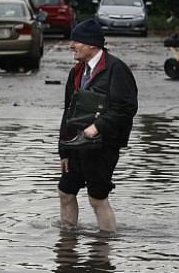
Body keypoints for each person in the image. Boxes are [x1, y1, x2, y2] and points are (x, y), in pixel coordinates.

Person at [57, 19, 138, 233]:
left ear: (92, 45)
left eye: (77, 41)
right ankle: (67, 243)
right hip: (76, 146)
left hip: (103, 146)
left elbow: (126, 108)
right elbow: (68, 112)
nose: (71, 45)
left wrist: (98, 127)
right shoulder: (76, 72)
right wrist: (63, 150)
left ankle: (104, 248)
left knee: (97, 198)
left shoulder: (116, 69)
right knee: (65, 192)